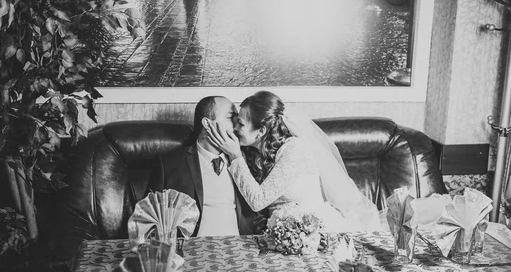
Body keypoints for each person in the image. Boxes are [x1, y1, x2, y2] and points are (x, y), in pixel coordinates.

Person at [205, 90, 381, 233]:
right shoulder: (252, 150)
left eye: (241, 124)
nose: (235, 128)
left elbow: (258, 200)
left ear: (261, 131)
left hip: (314, 231)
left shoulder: (294, 150)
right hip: (281, 233)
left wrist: (235, 156)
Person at [148, 96, 266, 237]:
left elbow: (257, 216)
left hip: (239, 250)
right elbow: (149, 216)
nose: (237, 125)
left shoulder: (247, 159)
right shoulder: (169, 164)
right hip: (193, 251)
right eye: (230, 117)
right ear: (207, 124)